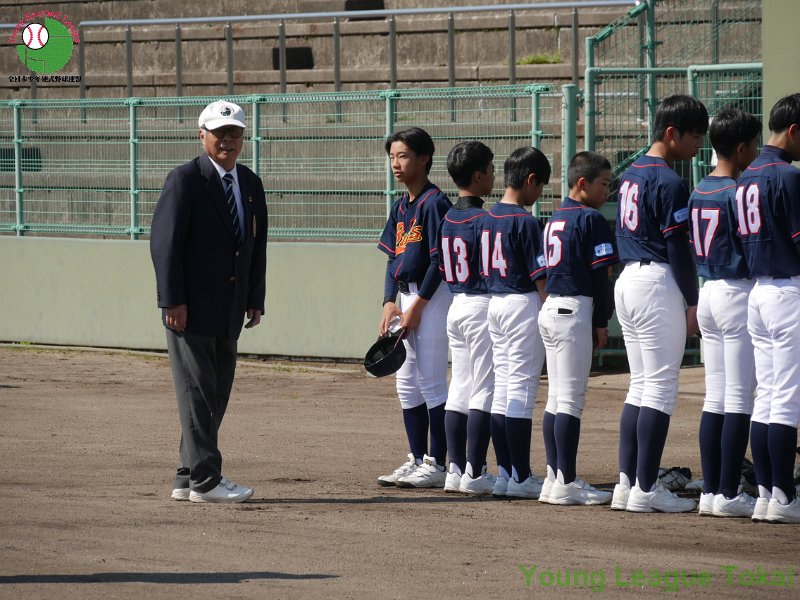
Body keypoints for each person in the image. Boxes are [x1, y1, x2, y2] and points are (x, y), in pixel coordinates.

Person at [150, 100, 268, 504]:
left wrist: (255, 297)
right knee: (197, 392)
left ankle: (187, 475)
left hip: (230, 308)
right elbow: (165, 245)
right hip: (190, 309)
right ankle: (205, 480)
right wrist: (172, 300)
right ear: (202, 135)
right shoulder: (185, 179)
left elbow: (255, 245)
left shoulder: (249, 183)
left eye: (235, 132)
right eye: (219, 132)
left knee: (214, 393)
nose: (228, 139)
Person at [613, 94, 708, 513]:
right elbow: (678, 248)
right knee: (659, 387)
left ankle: (628, 483)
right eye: (694, 136)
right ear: (671, 133)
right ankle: (647, 488)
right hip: (656, 282)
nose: (698, 145)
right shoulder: (669, 181)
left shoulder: (630, 173)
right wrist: (693, 301)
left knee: (640, 384)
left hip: (628, 280)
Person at [687, 108, 761, 518]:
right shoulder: (737, 191)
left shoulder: (699, 188)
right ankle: (728, 493)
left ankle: (712, 491)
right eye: (753, 146)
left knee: (715, 396)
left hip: (709, 293)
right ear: (741, 147)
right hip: (736, 293)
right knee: (737, 398)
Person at [537, 151, 618, 506]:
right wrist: (602, 321)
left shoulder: (555, 216)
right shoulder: (590, 218)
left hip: (551, 307)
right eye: (604, 184)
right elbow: (602, 277)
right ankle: (566, 481)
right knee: (569, 400)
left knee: (557, 398)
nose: (608, 191)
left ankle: (555, 478)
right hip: (574, 310)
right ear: (582, 183)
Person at [376, 127, 453, 488]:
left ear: (424, 158)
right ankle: (418, 458)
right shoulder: (400, 205)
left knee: (431, 381)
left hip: (432, 298)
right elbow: (393, 258)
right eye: (392, 156)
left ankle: (438, 463)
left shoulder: (435, 203)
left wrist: (419, 305)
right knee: (406, 384)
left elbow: (440, 261)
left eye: (403, 155)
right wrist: (388, 302)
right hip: (407, 298)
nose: (396, 163)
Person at [736, 93, 800, 524]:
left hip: (758, 292)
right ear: (793, 130)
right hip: (786, 292)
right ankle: (783, 497)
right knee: (787, 399)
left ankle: (766, 494)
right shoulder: (788, 175)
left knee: (768, 398)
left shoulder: (746, 176)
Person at [483, 146, 550, 499]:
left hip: (494, 304)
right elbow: (541, 278)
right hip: (522, 303)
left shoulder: (487, 217)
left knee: (503, 390)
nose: (539, 194)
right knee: (521, 391)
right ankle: (521, 477)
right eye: (540, 186)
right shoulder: (526, 221)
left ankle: (507, 473)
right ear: (530, 180)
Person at [437, 140, 496, 495]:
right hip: (480, 305)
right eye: (490, 170)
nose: (493, 175)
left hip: (456, 304)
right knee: (483, 388)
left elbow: (441, 266)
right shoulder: (484, 220)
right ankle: (475, 471)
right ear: (477, 176)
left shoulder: (448, 217)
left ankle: (455, 469)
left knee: (459, 386)